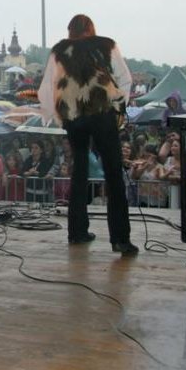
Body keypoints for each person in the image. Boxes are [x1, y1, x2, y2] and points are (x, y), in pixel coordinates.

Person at [38, 13, 138, 256]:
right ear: (91, 29)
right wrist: (119, 107)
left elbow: (48, 87)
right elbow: (125, 79)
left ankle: (77, 232)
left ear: (70, 30)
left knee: (79, 171)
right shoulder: (107, 45)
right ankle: (120, 239)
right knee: (113, 174)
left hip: (74, 116)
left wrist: (55, 116)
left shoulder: (59, 51)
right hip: (102, 113)